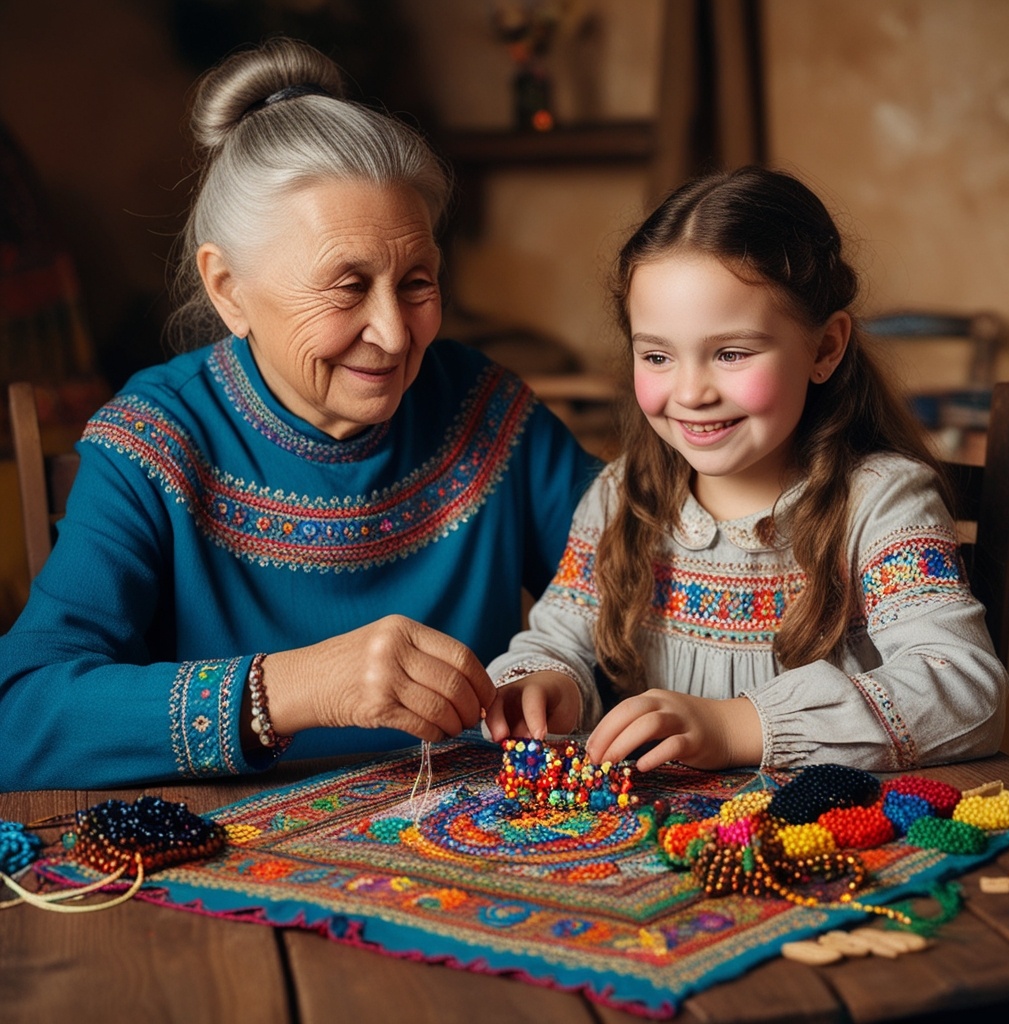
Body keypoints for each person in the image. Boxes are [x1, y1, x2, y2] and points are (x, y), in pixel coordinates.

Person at [0, 38, 598, 791]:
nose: (392, 331)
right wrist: (290, 689)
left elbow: (641, 569)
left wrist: (559, 668)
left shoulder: (486, 408)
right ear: (228, 290)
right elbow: (16, 715)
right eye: (348, 287)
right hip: (228, 889)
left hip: (466, 858)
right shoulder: (153, 443)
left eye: (417, 282)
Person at [485, 166, 1009, 774]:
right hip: (649, 844)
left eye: (730, 353)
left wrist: (737, 726)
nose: (690, 392)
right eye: (657, 355)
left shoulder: (881, 503)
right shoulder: (621, 497)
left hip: (823, 844)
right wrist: (548, 685)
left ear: (825, 349)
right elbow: (556, 642)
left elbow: (967, 690)